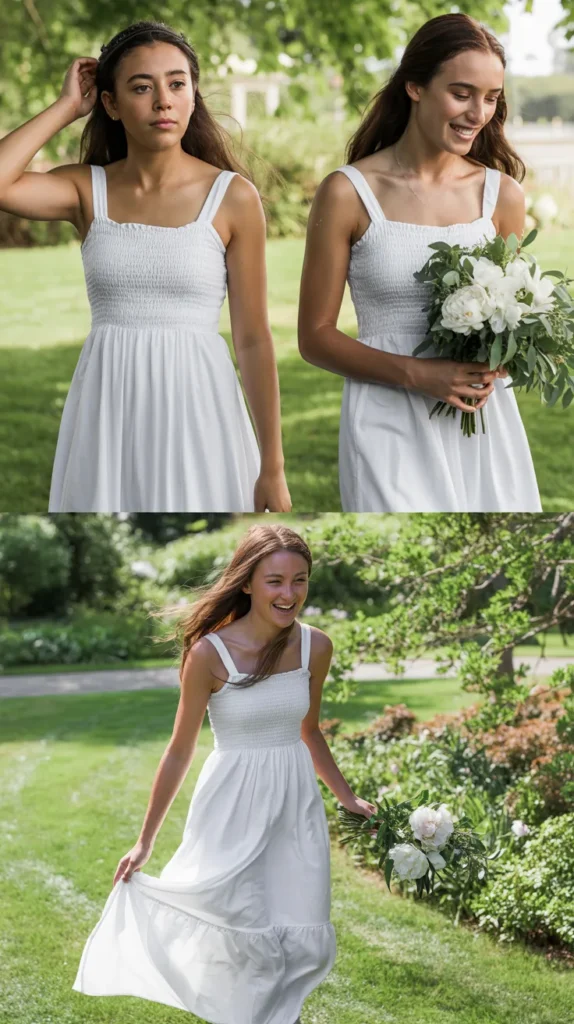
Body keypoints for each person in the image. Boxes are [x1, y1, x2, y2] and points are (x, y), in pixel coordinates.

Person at [72, 523, 376, 1024]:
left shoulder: (315, 647)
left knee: (295, 936)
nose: (289, 593)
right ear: (248, 583)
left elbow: (310, 731)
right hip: (232, 804)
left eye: (299, 580)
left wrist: (346, 797)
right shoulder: (209, 655)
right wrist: (145, 842)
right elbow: (178, 750)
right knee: (235, 931)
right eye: (275, 580)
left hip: (294, 807)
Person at [0, 20, 290, 513]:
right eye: (141, 87)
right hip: (107, 401)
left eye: (177, 84)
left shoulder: (233, 197)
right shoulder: (85, 190)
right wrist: (67, 107)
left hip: (200, 402)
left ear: (193, 95)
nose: (163, 101)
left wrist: (273, 467)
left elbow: (254, 338)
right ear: (111, 104)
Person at [298, 12, 542, 513]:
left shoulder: (502, 195)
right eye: (461, 93)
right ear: (414, 86)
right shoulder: (347, 193)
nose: (479, 113)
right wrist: (418, 374)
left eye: (492, 97)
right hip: (385, 420)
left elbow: (513, 322)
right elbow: (314, 337)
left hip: (482, 422)